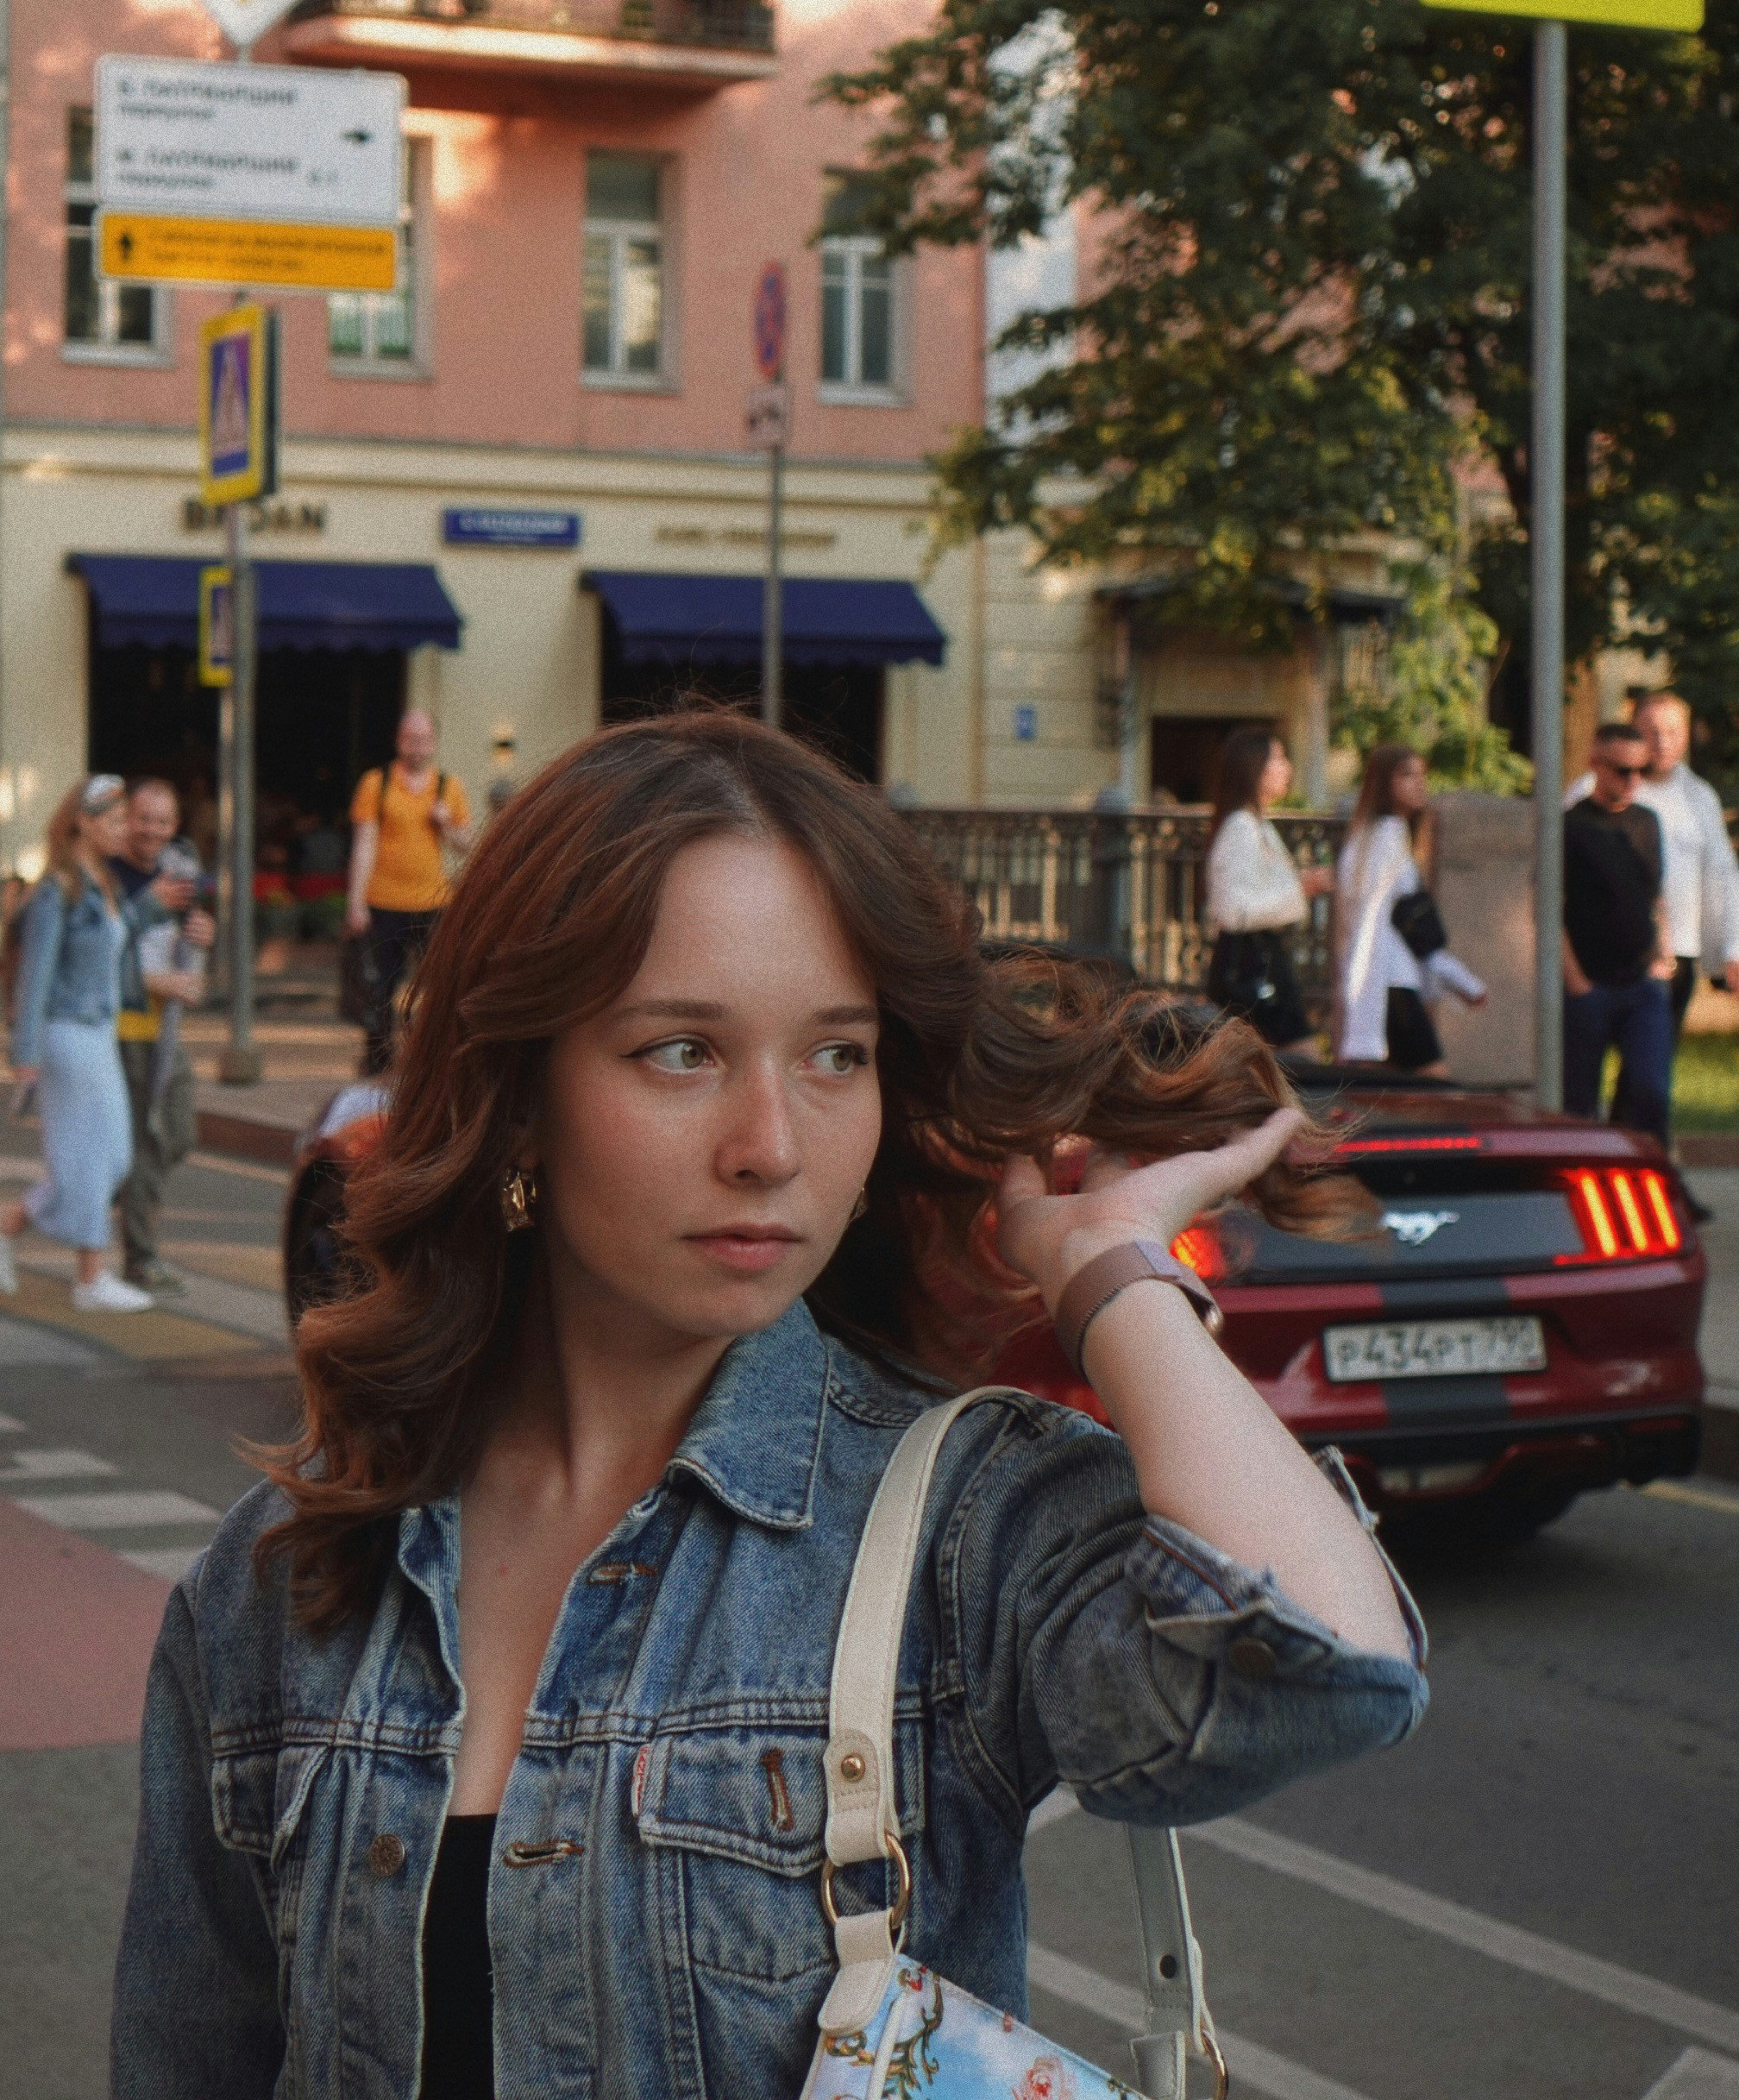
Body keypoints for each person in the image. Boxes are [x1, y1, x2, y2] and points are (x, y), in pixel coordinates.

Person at [114, 713, 1425, 2100]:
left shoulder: (957, 1522)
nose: (772, 1147)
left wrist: (1109, 1272)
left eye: (835, 1055)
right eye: (681, 1051)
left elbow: (1331, 1671)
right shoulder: (287, 1579)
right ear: (518, 1088)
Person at [1, 777, 177, 1310]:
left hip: (100, 1031)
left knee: (115, 1157)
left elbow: (116, 944)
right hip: (65, 1034)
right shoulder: (59, 889)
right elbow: (35, 976)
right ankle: (89, 1279)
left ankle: (6, 1225)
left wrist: (153, 908)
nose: (126, 829)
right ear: (85, 822)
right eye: (117, 820)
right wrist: (24, 1057)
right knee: (90, 1160)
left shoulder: (104, 884)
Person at [1568, 690, 1739, 1087]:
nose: (1663, 742)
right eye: (1653, 731)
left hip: (1675, 953)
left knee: (1649, 1075)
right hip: (1598, 957)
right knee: (1582, 1074)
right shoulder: (1590, 792)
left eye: (1674, 731)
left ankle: (1641, 1144)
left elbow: (1722, 875)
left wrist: (1731, 948)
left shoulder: (1699, 798)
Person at [114, 781, 218, 1297]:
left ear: (174, 826)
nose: (151, 829)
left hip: (164, 1030)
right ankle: (141, 1256)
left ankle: (115, 1193)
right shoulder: (110, 875)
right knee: (141, 1144)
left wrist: (201, 940)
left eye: (162, 821)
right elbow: (104, 960)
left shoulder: (176, 876)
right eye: (142, 818)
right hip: (122, 1029)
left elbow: (184, 945)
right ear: (125, 818)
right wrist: (160, 982)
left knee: (178, 1132)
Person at [1335, 745, 1485, 1072]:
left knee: (1392, 1094)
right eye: (1407, 775)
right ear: (1383, 783)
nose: (1419, 784)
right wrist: (1358, 999)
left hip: (1391, 982)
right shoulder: (1385, 838)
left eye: (1422, 775)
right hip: (1390, 984)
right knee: (1435, 1086)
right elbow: (1373, 923)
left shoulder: (1381, 836)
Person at [1563, 720, 1677, 1138]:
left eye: (1641, 771)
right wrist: (1575, 980)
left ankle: (1657, 1190)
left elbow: (1655, 894)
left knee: (1651, 1094)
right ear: (1596, 765)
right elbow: (1547, 907)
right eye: (1622, 770)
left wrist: (1663, 956)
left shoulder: (1647, 822)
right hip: (1590, 985)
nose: (1633, 781)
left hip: (1643, 984)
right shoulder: (1571, 826)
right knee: (1579, 1104)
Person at [345, 709, 474, 1073]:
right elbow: (364, 845)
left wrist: (447, 824)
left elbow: (468, 845)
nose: (417, 746)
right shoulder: (377, 783)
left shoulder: (448, 787)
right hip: (383, 902)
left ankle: (436, 1057)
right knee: (380, 989)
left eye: (424, 739)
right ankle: (380, 1061)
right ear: (399, 740)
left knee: (442, 985)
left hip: (433, 902)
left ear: (434, 742)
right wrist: (356, 903)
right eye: (410, 739)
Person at [1202, 724, 1332, 1050]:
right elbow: (1233, 910)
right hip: (1251, 961)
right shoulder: (1242, 828)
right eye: (1278, 759)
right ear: (1254, 768)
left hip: (1262, 958)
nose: (1287, 768)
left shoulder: (1255, 824)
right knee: (1301, 1058)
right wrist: (1300, 889)